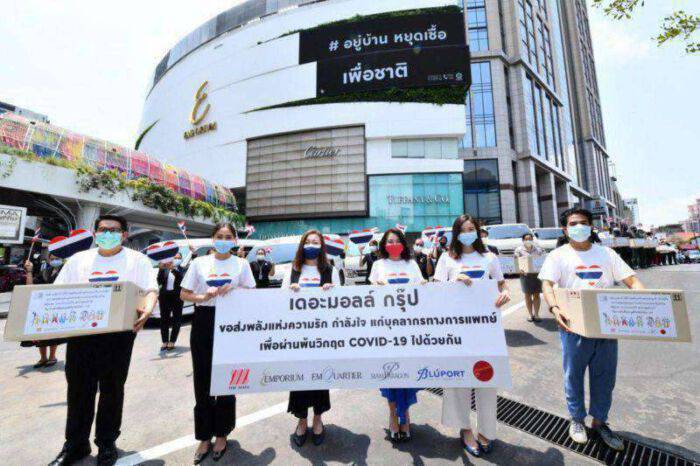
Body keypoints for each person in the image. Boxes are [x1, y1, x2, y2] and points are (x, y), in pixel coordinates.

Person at [48, 215, 158, 466]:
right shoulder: (78, 260)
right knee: (79, 389)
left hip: (118, 334)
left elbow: (151, 289)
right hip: (82, 334)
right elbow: (58, 291)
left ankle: (107, 443)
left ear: (124, 235)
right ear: (95, 233)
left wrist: (148, 309)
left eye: (114, 230)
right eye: (102, 229)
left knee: (112, 388)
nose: (107, 234)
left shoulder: (137, 260)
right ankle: (76, 444)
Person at [539, 208, 644, 451]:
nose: (579, 227)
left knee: (605, 377)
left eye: (584, 222)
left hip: (606, 325)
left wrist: (646, 303)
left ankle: (599, 421)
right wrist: (554, 307)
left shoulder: (607, 254)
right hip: (572, 325)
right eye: (573, 223)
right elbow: (547, 284)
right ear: (565, 229)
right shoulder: (557, 256)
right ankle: (577, 419)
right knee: (573, 375)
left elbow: (632, 280)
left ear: (591, 226)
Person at [434, 214, 511, 457]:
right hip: (456, 328)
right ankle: (465, 429)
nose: (468, 233)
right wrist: (454, 282)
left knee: (487, 377)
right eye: (463, 229)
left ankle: (486, 430)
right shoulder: (447, 258)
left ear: (477, 231)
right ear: (456, 234)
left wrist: (505, 293)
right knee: (459, 379)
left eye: (471, 229)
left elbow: (502, 284)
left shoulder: (489, 257)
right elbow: (435, 290)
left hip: (486, 328)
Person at [180, 223, 256, 464]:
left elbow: (252, 293)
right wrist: (204, 296)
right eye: (219, 236)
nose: (224, 240)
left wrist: (233, 290)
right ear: (213, 239)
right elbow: (184, 293)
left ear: (235, 241)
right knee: (202, 379)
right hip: (204, 319)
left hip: (231, 322)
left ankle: (222, 433)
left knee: (226, 379)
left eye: (228, 236)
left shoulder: (241, 264)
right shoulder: (199, 263)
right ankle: (204, 436)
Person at [282, 230, 340, 447]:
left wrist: (331, 292)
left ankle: (317, 419)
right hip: (297, 336)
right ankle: (301, 420)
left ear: (322, 246)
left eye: (316, 242)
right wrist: (291, 292)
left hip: (322, 336)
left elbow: (342, 302)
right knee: (299, 378)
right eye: (308, 241)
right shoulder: (293, 270)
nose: (311, 245)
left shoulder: (330, 270)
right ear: (302, 245)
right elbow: (280, 300)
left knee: (319, 378)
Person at [369, 228, 426, 442]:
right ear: (384, 245)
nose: (393, 244)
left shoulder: (411, 265)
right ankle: (393, 414)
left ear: (403, 243)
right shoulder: (378, 265)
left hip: (409, 329)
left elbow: (421, 290)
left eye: (396, 240)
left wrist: (424, 286)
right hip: (386, 329)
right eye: (389, 241)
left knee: (406, 372)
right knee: (390, 373)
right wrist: (377, 287)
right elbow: (369, 295)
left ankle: (406, 415)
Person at [23, 255, 64, 368]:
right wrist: (29, 271)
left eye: (57, 258)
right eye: (52, 259)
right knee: (40, 332)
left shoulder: (65, 270)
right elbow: (30, 286)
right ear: (49, 260)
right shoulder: (45, 272)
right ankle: (43, 358)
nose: (54, 261)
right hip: (42, 307)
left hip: (57, 306)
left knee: (53, 333)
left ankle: (52, 356)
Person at [157, 253, 186, 352]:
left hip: (177, 297)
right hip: (165, 297)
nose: (176, 259)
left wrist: (173, 269)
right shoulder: (165, 269)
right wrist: (161, 269)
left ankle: (172, 341)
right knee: (164, 319)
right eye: (175, 258)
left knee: (176, 319)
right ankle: (165, 341)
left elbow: (182, 279)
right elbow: (159, 281)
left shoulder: (182, 268)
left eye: (178, 258)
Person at [514, 233, 545, 322]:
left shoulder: (539, 249)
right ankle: (530, 314)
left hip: (537, 275)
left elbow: (544, 259)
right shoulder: (518, 250)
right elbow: (516, 262)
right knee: (527, 294)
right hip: (525, 275)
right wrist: (519, 269)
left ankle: (537, 314)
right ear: (523, 240)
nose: (528, 240)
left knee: (536, 294)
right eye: (526, 239)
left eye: (530, 239)